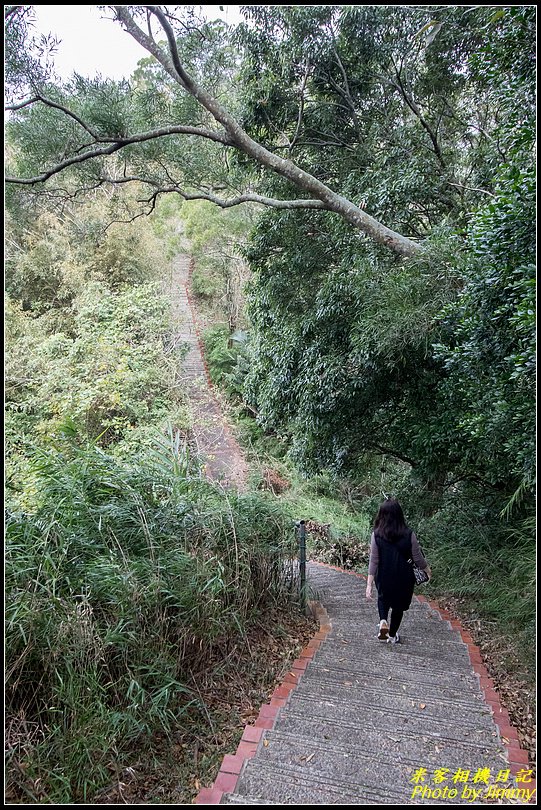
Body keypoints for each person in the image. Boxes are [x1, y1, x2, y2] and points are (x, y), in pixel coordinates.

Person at [365, 498, 431, 644]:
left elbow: (374, 560)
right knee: (398, 606)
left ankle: (383, 621)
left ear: (381, 515)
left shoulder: (376, 535)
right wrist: (427, 570)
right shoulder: (409, 534)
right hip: (404, 577)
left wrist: (369, 584)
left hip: (383, 575)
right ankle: (393, 635)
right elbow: (417, 557)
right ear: (400, 515)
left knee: (383, 598)